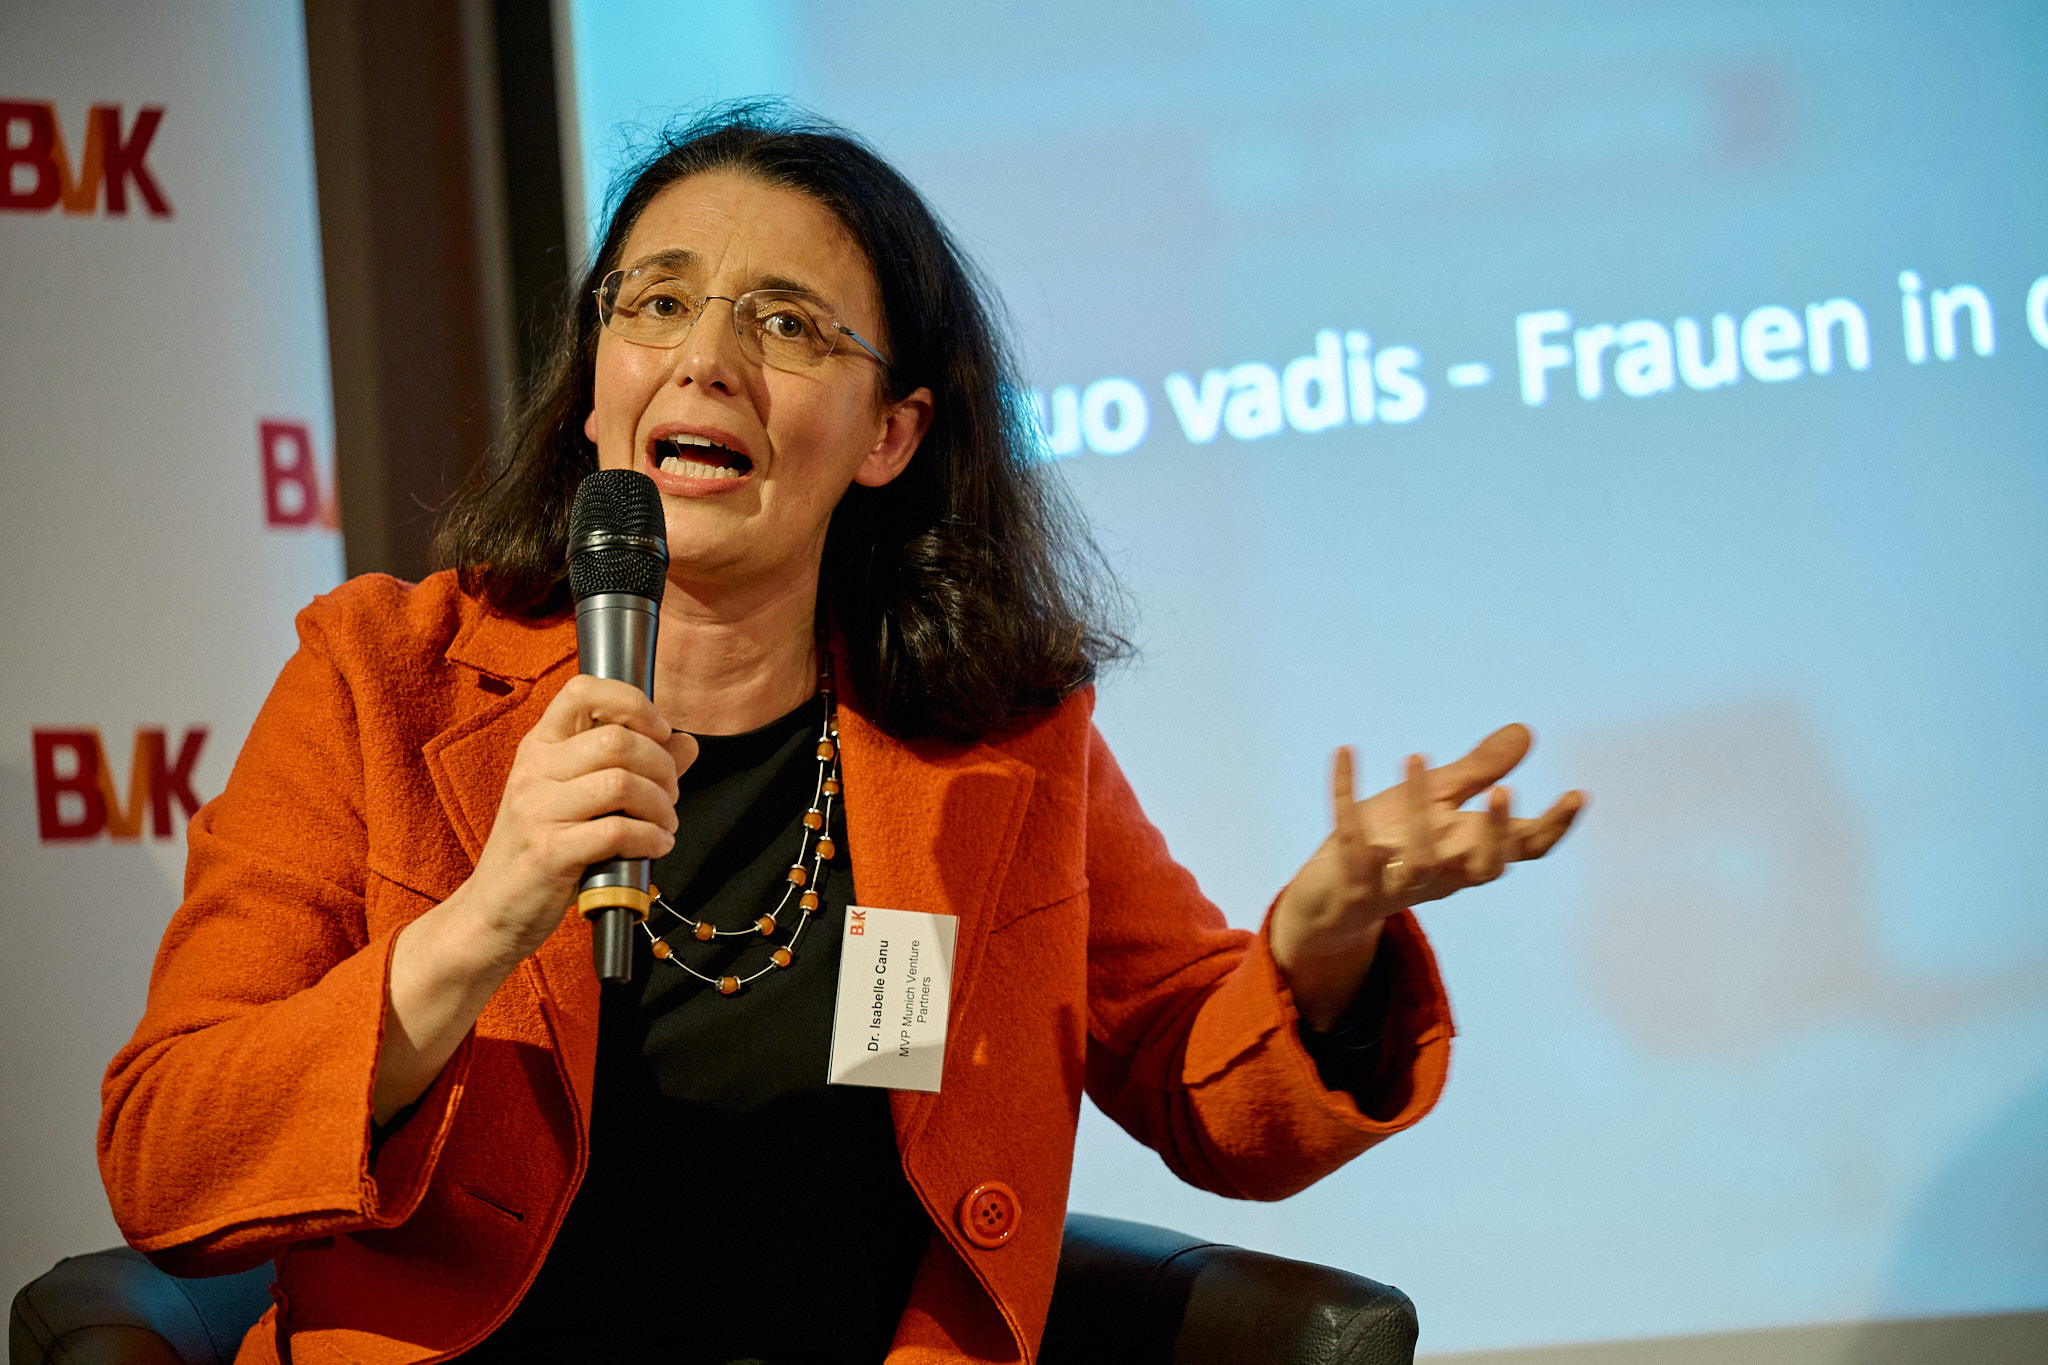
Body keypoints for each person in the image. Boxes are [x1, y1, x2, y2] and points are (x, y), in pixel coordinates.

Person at [99, 104, 1582, 1365]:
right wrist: (487, 917)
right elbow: (169, 1156)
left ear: (891, 435)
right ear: (599, 386)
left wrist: (1323, 942)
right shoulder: (384, 677)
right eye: (656, 301)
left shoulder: (997, 734)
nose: (705, 358)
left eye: (786, 324)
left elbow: (1213, 1099)